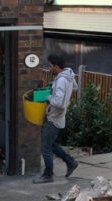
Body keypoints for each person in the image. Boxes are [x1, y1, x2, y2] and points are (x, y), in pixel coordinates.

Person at [33, 54, 79, 184]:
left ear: (56, 67)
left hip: (55, 117)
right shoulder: (69, 75)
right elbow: (75, 87)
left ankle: (48, 175)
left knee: (45, 147)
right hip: (59, 116)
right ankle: (71, 162)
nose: (49, 68)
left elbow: (58, 102)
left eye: (50, 66)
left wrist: (48, 97)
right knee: (51, 144)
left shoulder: (61, 80)